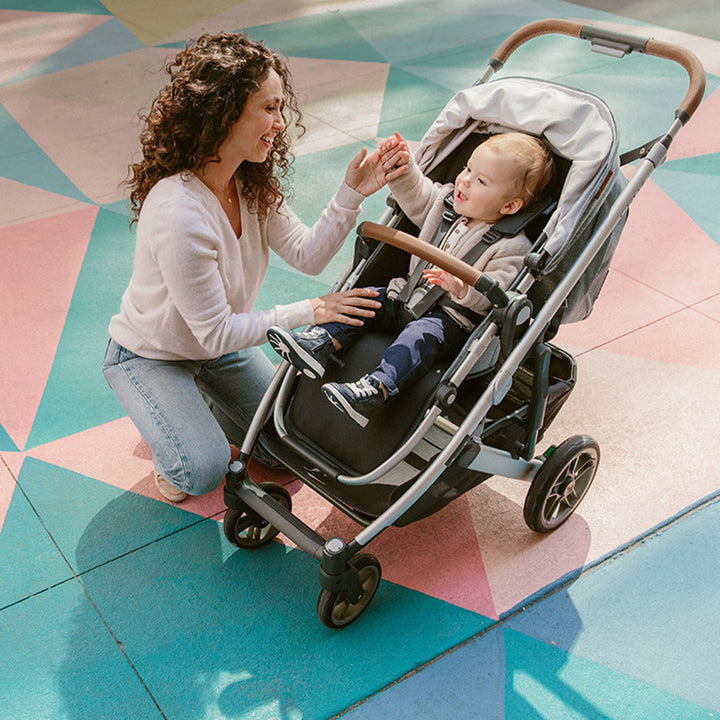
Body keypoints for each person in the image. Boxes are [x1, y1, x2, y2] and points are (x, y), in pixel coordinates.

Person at [102, 32, 401, 502]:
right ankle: (173, 416)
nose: (280, 123)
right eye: (269, 107)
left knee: (290, 447)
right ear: (223, 110)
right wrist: (314, 311)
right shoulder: (180, 213)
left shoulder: (248, 182)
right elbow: (217, 333)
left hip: (216, 350)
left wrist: (352, 194)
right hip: (153, 354)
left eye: (281, 108)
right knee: (199, 473)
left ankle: (197, 400)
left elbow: (308, 254)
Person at [267, 131, 554, 427]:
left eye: (481, 181)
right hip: (405, 296)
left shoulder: (512, 247)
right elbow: (417, 192)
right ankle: (322, 342)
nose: (465, 180)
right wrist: (402, 164)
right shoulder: (444, 206)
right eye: (467, 169)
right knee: (366, 298)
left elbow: (499, 294)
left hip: (449, 321)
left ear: (509, 206)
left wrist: (462, 287)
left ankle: (375, 389)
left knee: (419, 337)